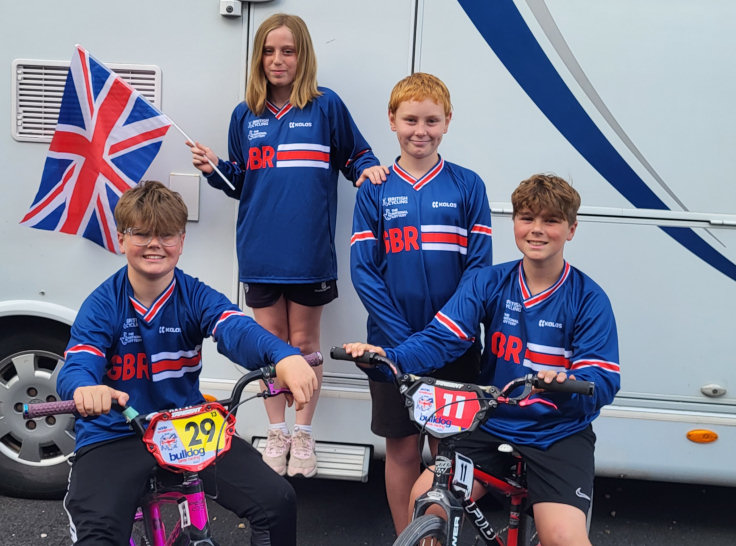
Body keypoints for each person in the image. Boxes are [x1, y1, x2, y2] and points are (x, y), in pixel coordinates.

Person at [345, 174, 620, 546]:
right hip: (492, 422)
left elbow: (603, 379)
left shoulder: (589, 298)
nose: (536, 230)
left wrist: (569, 382)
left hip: (557, 432)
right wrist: (387, 357)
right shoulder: (488, 282)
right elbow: (442, 338)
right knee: (426, 502)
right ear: (514, 224)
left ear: (571, 229)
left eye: (550, 221)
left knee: (563, 537)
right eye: (527, 218)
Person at [57, 181, 318, 545]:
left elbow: (236, 329)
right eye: (141, 234)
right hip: (115, 434)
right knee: (98, 534)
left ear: (181, 241)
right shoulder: (102, 305)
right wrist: (85, 388)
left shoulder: (194, 295)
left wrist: (283, 356)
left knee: (277, 500)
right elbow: (78, 363)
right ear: (121, 239)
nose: (154, 244)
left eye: (166, 234)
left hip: (185, 429)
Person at [187, 13, 388, 478]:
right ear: (258, 58)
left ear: (303, 57)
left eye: (288, 51)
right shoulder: (245, 114)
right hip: (259, 252)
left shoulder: (326, 107)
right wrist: (214, 167)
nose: (278, 60)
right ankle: (276, 431)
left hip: (310, 253)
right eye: (269, 51)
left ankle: (303, 435)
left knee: (305, 344)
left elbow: (357, 156)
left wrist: (370, 172)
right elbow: (241, 182)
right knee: (273, 347)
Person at [349, 72, 492, 533]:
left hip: (457, 345)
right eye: (410, 119)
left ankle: (438, 535)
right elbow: (364, 271)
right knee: (403, 448)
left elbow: (479, 272)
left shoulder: (468, 185)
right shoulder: (374, 186)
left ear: (447, 122)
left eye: (432, 120)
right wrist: (407, 341)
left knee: (446, 453)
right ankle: (406, 538)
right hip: (392, 348)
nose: (420, 130)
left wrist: (446, 335)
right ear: (392, 120)